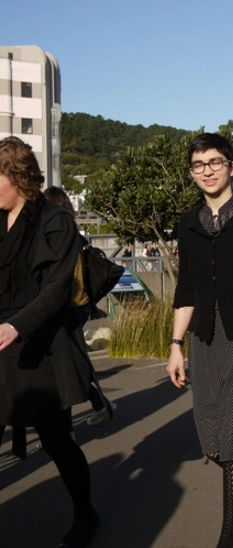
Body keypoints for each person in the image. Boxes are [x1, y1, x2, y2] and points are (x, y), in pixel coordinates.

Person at [0, 136, 100, 547]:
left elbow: (57, 289)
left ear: (16, 176)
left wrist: (15, 326)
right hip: (1, 342)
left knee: (57, 439)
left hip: (38, 345)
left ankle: (85, 515)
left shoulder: (55, 222)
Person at [166, 132, 233, 548]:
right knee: (215, 446)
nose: (207, 171)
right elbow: (186, 288)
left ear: (232, 167)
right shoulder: (188, 222)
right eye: (198, 165)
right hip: (203, 341)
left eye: (214, 162)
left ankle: (227, 541)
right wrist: (174, 344)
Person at [43, 186, 116, 427]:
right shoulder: (72, 231)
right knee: (70, 363)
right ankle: (99, 405)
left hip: (69, 306)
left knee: (64, 367)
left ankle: (67, 425)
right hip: (80, 304)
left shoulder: (59, 233)